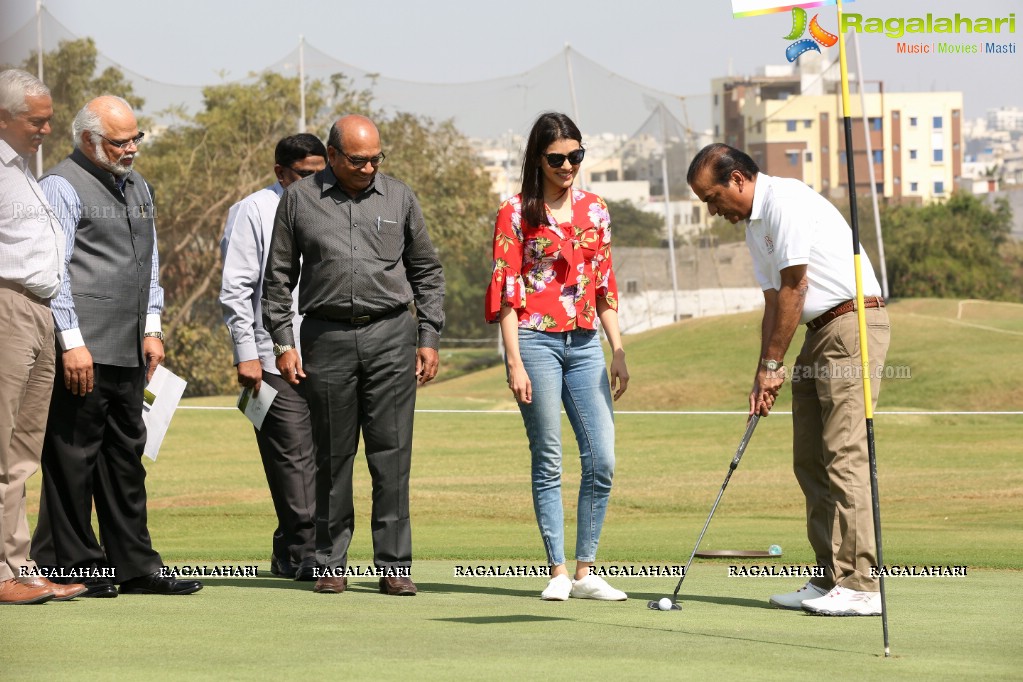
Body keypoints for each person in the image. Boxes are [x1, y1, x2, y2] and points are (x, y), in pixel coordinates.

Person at [687, 143, 891, 616]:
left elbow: (797, 285)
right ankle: (828, 578)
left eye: (712, 198)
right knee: (810, 460)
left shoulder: (786, 202)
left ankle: (861, 585)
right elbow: (774, 302)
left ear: (737, 179)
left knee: (844, 456)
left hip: (852, 324)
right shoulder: (755, 229)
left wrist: (775, 365)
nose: (713, 211)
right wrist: (765, 369)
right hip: (818, 334)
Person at [263, 114, 444, 597]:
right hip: (326, 338)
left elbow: (426, 270)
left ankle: (394, 565)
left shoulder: (400, 196)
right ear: (334, 154)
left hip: (392, 336)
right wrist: (283, 343)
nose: (368, 168)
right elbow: (277, 280)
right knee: (331, 455)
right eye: (358, 160)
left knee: (392, 453)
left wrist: (428, 336)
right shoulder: (299, 200)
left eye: (375, 158)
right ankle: (328, 561)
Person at [30, 96, 202, 598]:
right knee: (72, 459)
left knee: (126, 457)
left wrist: (153, 326)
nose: (130, 149)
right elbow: (53, 270)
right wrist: (71, 342)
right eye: (119, 141)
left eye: (135, 139)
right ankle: (78, 566)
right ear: (88, 141)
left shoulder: (139, 186)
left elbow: (147, 261)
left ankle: (134, 565)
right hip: (80, 349)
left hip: (130, 347)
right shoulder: (60, 185)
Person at [485, 112, 630, 602]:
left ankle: (587, 571)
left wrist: (619, 349)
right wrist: (513, 362)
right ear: (538, 159)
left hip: (587, 342)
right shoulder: (514, 213)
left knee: (602, 457)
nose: (568, 165)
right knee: (548, 456)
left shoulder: (597, 210)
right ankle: (559, 571)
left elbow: (605, 285)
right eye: (557, 158)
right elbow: (507, 291)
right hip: (534, 341)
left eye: (576, 156)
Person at [219, 133, 326, 581]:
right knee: (293, 459)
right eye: (305, 174)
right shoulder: (254, 210)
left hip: (326, 353)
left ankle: (288, 548)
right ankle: (305, 555)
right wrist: (246, 354)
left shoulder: (334, 205)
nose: (316, 181)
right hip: (270, 356)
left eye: (323, 172)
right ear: (281, 172)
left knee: (320, 461)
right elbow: (237, 287)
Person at [0, 69, 87, 604]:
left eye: (50, 119)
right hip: (7, 307)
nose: (47, 130)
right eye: (37, 121)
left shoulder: (21, 171)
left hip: (38, 311)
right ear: (3, 117)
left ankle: (17, 565)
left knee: (22, 451)